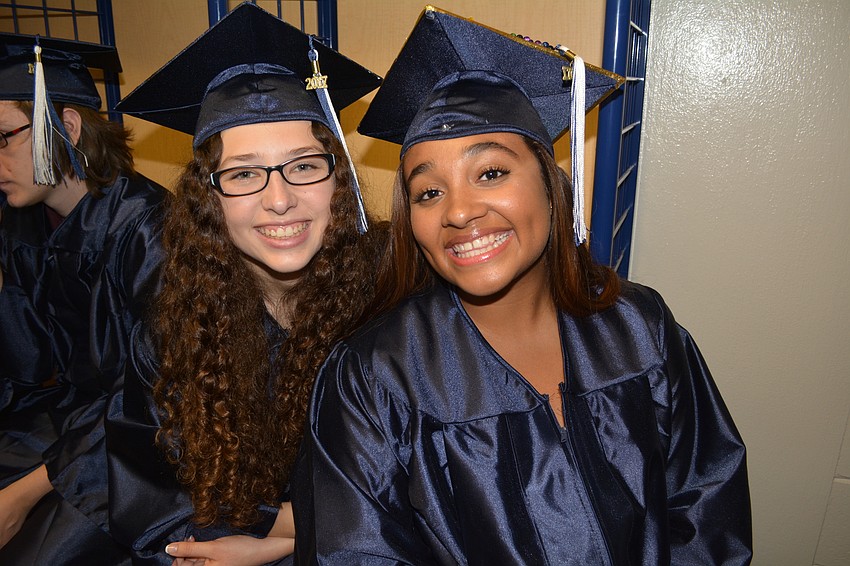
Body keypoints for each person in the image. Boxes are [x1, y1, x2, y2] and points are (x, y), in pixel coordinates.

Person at [294, 7, 752, 564]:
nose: (458, 211)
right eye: (428, 192)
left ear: (551, 185)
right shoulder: (374, 380)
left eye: (491, 173)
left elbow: (707, 511)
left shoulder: (640, 327)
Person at [104, 3, 383, 564]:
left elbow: (430, 486)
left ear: (338, 180)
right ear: (209, 199)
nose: (279, 199)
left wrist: (286, 540)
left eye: (304, 165)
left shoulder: (389, 299)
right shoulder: (177, 330)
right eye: (244, 173)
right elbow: (156, 492)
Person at [0, 34, 167, 564]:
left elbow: (155, 396)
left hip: (141, 440)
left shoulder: (151, 230)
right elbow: (27, 366)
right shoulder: (23, 221)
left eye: (2, 138)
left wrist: (24, 493)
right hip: (70, 419)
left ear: (66, 127)